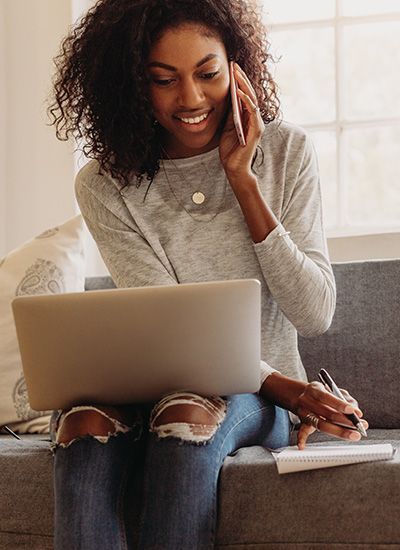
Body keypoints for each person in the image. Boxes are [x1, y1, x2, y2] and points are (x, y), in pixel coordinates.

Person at [47, 0, 369, 548]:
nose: (192, 99)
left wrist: (244, 182)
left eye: (208, 73)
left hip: (252, 400)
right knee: (81, 423)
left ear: (236, 69)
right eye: (163, 80)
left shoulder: (287, 153)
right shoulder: (104, 184)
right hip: (192, 384)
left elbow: (315, 314)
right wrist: (291, 388)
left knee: (185, 413)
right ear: (132, 85)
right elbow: (174, 323)